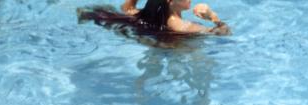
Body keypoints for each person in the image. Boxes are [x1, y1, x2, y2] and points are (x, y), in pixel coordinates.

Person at [77, 0, 230, 43]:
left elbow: (127, 7)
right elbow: (225, 34)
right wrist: (213, 17)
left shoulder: (146, 15)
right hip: (173, 55)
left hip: (153, 42)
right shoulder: (182, 25)